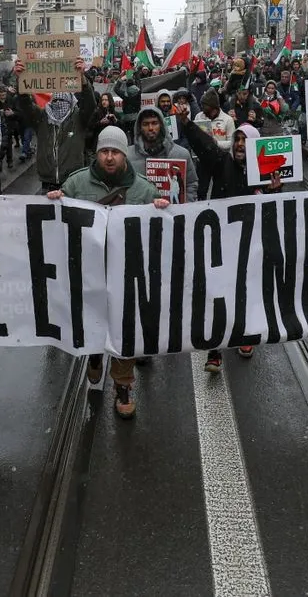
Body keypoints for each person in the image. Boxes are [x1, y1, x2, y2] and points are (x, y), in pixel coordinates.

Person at [47, 126, 170, 419]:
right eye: (104, 151)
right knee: (92, 323)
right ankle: (93, 354)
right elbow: (57, 220)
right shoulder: (77, 184)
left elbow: (160, 231)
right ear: (97, 153)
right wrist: (55, 200)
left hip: (126, 276)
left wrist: (161, 208)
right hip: (88, 274)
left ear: (124, 154)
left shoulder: (143, 190)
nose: (110, 157)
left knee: (124, 330)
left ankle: (123, 385)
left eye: (115, 151)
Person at [177, 111, 282, 369]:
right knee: (218, 294)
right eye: (236, 140)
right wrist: (188, 124)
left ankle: (245, 335)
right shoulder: (222, 162)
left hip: (251, 243)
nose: (239, 145)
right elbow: (206, 146)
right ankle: (215, 350)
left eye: (245, 142)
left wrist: (275, 191)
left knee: (247, 291)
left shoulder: (268, 173)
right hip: (222, 239)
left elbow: (277, 211)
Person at [14, 58, 98, 192]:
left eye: (63, 101)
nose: (59, 104)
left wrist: (81, 78)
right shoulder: (42, 118)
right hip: (47, 184)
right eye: (56, 100)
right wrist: (21, 80)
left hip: (73, 184)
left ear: (71, 102)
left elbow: (90, 104)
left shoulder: (79, 118)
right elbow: (25, 104)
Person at [129, 106, 199, 203]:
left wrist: (184, 208)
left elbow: (191, 184)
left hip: (173, 215)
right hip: (140, 215)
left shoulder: (181, 154)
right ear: (139, 128)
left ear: (162, 125)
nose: (150, 128)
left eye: (154, 123)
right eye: (145, 124)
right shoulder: (128, 156)